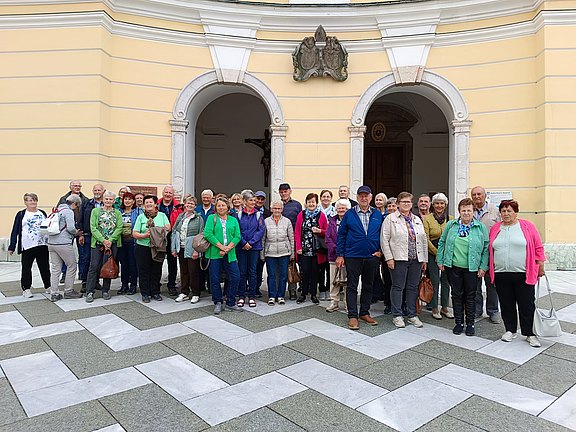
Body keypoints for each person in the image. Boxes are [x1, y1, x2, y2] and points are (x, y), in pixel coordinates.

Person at [489, 200, 545, 347]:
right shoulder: (495, 228)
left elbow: (538, 247)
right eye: (503, 211)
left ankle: (529, 333)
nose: (506, 214)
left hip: (523, 273)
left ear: (515, 212)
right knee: (506, 304)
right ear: (500, 213)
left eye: (509, 211)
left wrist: (540, 265)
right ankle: (510, 330)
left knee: (526, 304)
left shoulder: (527, 226)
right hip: (501, 273)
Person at [437, 198, 489, 336]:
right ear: (459, 211)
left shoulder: (480, 227)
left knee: (470, 296)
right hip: (453, 266)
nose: (466, 213)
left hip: (472, 268)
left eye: (469, 210)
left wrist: (483, 267)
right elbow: (442, 242)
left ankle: (470, 323)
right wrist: (440, 260)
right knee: (456, 294)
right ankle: (459, 322)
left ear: (473, 212)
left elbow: (485, 248)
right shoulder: (451, 225)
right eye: (463, 210)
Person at [337, 185, 383, 329]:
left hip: (371, 256)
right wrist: (340, 255)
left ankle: (364, 312)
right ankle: (352, 316)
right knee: (352, 286)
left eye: (366, 195)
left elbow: (384, 235)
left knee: (368, 285)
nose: (364, 198)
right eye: (361, 195)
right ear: (357, 197)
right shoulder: (349, 214)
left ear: (370, 197)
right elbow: (341, 235)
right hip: (352, 256)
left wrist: (381, 251)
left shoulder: (377, 214)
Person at [381, 191, 428, 328]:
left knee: (412, 287)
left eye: (408, 202)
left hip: (416, 259)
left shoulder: (417, 219)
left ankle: (412, 315)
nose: (406, 204)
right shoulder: (390, 219)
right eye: (403, 202)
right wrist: (389, 258)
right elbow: (384, 239)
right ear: (397, 204)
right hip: (399, 258)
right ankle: (397, 315)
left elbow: (423, 239)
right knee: (397, 287)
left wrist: (424, 259)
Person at [204, 196, 243, 314]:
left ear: (228, 207)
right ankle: (218, 302)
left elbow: (237, 236)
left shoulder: (233, 220)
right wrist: (221, 247)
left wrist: (227, 249)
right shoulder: (212, 218)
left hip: (230, 254)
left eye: (223, 205)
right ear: (216, 207)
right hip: (215, 254)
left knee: (235, 277)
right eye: (218, 205)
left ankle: (230, 302)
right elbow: (208, 234)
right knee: (215, 279)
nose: (221, 207)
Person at [8, 193, 51, 298]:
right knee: (26, 267)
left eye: (34, 200)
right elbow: (15, 230)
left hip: (42, 245)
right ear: (25, 202)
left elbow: (47, 227)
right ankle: (26, 289)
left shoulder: (42, 213)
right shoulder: (21, 214)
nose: (32, 202)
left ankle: (48, 286)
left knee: (45, 267)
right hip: (27, 245)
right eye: (30, 200)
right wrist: (12, 246)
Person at [85, 191, 123, 303]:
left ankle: (105, 290)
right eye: (106, 199)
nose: (108, 201)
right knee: (94, 267)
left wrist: (110, 241)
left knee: (108, 266)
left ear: (113, 201)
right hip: (97, 244)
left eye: (111, 199)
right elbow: (93, 227)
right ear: (103, 199)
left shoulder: (117, 213)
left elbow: (119, 227)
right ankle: (90, 291)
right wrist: (103, 240)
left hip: (112, 244)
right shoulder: (95, 211)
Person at [471, 186, 501, 323]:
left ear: (485, 195)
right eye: (474, 194)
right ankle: (477, 310)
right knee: (475, 285)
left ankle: (493, 311)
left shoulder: (494, 211)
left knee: (492, 284)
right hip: (474, 254)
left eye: (479, 194)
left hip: (491, 254)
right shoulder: (469, 211)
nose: (477, 197)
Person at [133, 195, 171, 303]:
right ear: (144, 205)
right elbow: (135, 233)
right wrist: (144, 235)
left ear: (155, 204)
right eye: (146, 202)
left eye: (151, 202)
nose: (148, 204)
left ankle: (155, 291)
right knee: (143, 270)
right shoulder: (141, 217)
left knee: (156, 270)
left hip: (158, 247)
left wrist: (156, 232)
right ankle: (145, 293)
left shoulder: (162, 215)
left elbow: (168, 227)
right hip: (143, 247)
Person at [423, 193, 454, 320]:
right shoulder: (427, 219)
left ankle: (445, 307)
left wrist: (445, 254)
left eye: (442, 203)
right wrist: (437, 253)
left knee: (446, 281)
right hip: (432, 252)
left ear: (445, 205)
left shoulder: (451, 219)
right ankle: (434, 307)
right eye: (437, 203)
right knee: (434, 281)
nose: (439, 205)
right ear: (433, 205)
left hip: (448, 252)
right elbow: (426, 238)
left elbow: (453, 237)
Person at [47, 194, 83, 302]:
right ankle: (68, 291)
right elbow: (71, 228)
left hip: (52, 243)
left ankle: (54, 293)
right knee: (71, 266)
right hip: (63, 243)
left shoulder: (56, 210)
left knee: (55, 268)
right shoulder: (68, 211)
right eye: (77, 206)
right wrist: (76, 232)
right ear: (74, 203)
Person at [295, 193, 328, 304]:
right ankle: (303, 294)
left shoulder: (322, 215)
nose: (311, 204)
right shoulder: (301, 214)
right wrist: (298, 247)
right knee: (304, 272)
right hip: (304, 249)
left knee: (315, 273)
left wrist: (320, 231)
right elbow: (297, 232)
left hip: (317, 250)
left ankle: (314, 294)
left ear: (316, 203)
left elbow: (327, 232)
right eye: (309, 202)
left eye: (313, 202)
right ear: (306, 203)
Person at [171, 195, 204, 304]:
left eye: (192, 203)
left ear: (195, 206)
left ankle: (195, 293)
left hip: (192, 249)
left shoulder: (198, 218)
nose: (189, 205)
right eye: (188, 203)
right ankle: (184, 292)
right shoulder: (181, 216)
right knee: (183, 271)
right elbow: (174, 231)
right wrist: (174, 248)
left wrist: (197, 250)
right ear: (184, 204)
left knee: (193, 271)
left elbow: (201, 235)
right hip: (181, 247)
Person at [236, 190, 265, 308]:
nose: (253, 202)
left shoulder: (258, 215)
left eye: (254, 200)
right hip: (241, 247)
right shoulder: (238, 215)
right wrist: (243, 242)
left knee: (253, 272)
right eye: (250, 200)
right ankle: (242, 296)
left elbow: (261, 230)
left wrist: (251, 243)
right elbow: (236, 230)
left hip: (254, 248)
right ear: (244, 201)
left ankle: (252, 296)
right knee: (242, 272)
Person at [56, 180, 89, 284]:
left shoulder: (85, 200)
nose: (77, 187)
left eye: (79, 186)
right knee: (66, 254)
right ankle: (65, 273)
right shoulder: (63, 199)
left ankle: (82, 274)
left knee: (82, 254)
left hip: (80, 230)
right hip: (66, 231)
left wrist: (82, 231)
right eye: (75, 185)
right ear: (70, 187)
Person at [262, 200, 294, 305]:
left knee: (283, 275)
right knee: (271, 275)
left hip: (284, 252)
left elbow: (291, 238)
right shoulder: (266, 221)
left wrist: (292, 253)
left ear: (282, 209)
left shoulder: (287, 221)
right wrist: (262, 253)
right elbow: (263, 239)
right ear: (271, 209)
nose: (277, 210)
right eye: (275, 208)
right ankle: (272, 296)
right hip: (270, 252)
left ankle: (280, 296)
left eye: (279, 208)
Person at [77, 184, 104, 292]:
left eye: (99, 190)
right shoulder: (86, 203)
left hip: (101, 237)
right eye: (95, 190)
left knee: (98, 260)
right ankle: (85, 282)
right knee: (86, 259)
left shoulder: (106, 203)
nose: (97, 192)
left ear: (103, 191)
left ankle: (95, 281)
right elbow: (80, 219)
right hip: (88, 236)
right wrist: (81, 234)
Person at [325, 198, 351, 312]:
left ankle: (347, 303)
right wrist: (336, 249)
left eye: (343, 208)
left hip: (348, 255)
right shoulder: (332, 221)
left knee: (347, 281)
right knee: (333, 280)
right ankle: (334, 302)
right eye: (339, 208)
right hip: (333, 255)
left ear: (347, 209)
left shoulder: (351, 220)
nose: (341, 210)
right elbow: (328, 238)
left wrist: (343, 251)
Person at [157, 185, 182, 296]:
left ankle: (171, 285)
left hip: (172, 237)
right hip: (159, 237)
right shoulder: (156, 205)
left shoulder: (178, 206)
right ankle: (156, 284)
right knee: (157, 261)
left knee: (172, 263)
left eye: (170, 193)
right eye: (166, 192)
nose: (168, 194)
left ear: (173, 195)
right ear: (163, 193)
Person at [279, 183, 302, 300]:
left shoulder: (297, 205)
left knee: (291, 265)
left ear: (290, 191)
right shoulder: (277, 205)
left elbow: (300, 223)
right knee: (280, 266)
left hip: (292, 239)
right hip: (279, 240)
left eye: (285, 191)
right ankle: (280, 291)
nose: (283, 194)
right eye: (281, 192)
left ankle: (293, 290)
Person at [117, 192, 142, 295]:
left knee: (133, 263)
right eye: (125, 199)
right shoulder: (119, 211)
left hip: (133, 241)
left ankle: (133, 285)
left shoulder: (138, 211)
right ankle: (124, 285)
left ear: (133, 201)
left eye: (129, 199)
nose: (127, 201)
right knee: (124, 264)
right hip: (121, 241)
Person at [317, 189, 336, 299]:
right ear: (320, 198)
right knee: (320, 267)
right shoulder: (317, 210)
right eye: (324, 196)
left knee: (330, 268)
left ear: (331, 199)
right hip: (319, 242)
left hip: (331, 242)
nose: (326, 198)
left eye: (328, 197)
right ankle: (321, 289)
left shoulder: (334, 210)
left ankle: (329, 289)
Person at [195, 189, 215, 292]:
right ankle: (201, 285)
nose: (206, 199)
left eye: (208, 197)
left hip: (212, 240)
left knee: (211, 264)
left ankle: (211, 286)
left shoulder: (215, 209)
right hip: (200, 240)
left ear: (212, 198)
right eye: (204, 197)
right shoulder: (197, 209)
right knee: (200, 263)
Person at [254, 190, 271, 297]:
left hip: (264, 243)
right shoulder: (250, 211)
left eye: (262, 199)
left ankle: (257, 288)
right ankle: (250, 287)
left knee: (260, 267)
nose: (260, 201)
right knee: (252, 267)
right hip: (253, 243)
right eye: (258, 198)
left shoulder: (268, 213)